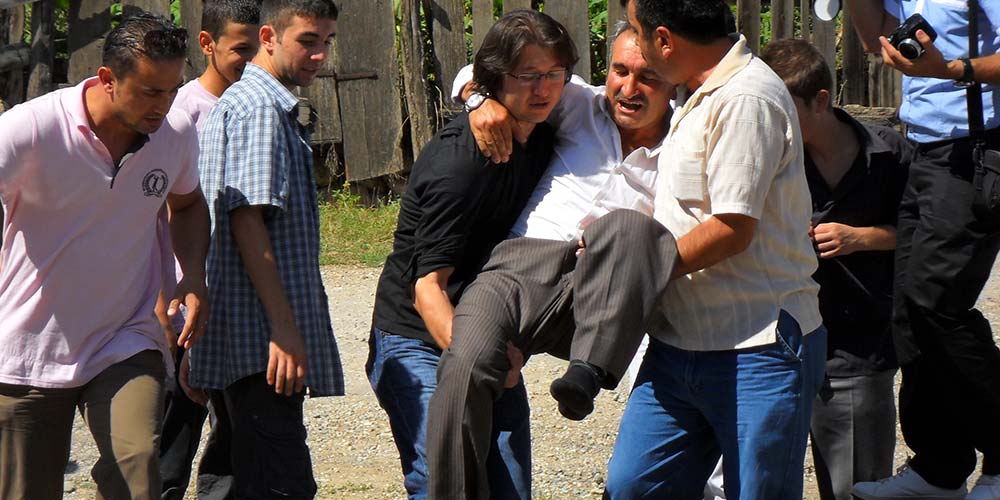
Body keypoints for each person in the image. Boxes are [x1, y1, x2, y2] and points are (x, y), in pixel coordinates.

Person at [425, 22, 679, 500]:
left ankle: (587, 373)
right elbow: (479, 71)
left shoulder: (686, 141)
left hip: (605, 289)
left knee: (630, 226)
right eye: (620, 71)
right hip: (522, 266)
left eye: (647, 78)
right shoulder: (577, 101)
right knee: (464, 364)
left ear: (674, 84)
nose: (629, 88)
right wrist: (479, 102)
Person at [606, 1, 827, 499]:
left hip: (757, 347)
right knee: (634, 488)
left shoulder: (746, 98)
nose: (635, 44)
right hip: (678, 343)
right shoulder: (699, 91)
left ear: (665, 40)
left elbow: (732, 227)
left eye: (639, 32)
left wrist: (640, 272)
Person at [0, 12, 210, 499]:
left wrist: (193, 275)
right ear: (107, 79)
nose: (164, 106)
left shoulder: (174, 132)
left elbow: (187, 204)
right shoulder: (30, 130)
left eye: (173, 90)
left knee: (136, 467)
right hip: (30, 344)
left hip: (125, 336)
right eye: (151, 92)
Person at [368, 10, 573, 500]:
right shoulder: (460, 163)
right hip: (417, 335)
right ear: (497, 78)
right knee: (444, 479)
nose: (544, 89)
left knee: (509, 487)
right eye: (527, 75)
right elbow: (427, 289)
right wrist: (483, 361)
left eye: (554, 74)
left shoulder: (546, 131)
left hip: (487, 328)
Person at [844, 1, 1000, 499]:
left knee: (937, 305)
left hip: (975, 147)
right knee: (909, 311)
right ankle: (939, 468)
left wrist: (952, 70)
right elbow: (877, 37)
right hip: (923, 148)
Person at [190, 1, 341, 498]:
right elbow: (246, 218)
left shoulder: (249, 101)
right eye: (308, 41)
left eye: (326, 42)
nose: (319, 55)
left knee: (240, 475)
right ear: (270, 36)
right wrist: (283, 326)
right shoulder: (260, 108)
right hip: (261, 342)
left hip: (247, 338)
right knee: (280, 483)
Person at [759, 38, 911, 500]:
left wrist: (860, 238)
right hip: (773, 347)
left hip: (857, 347)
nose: (771, 124)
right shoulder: (766, 157)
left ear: (821, 100)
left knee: (856, 488)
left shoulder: (890, 154)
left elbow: (926, 233)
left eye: (784, 111)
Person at [157, 1, 259, 498]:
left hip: (234, 299)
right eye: (240, 48)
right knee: (170, 437)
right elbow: (162, 212)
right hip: (185, 300)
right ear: (207, 44)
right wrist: (166, 297)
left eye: (257, 47)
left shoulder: (258, 108)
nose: (251, 58)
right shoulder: (180, 114)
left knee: (232, 436)